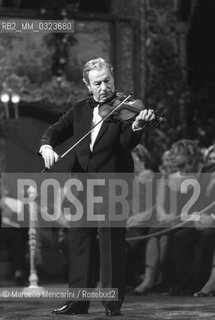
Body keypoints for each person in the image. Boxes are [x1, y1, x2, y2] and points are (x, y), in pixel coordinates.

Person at [39, 58, 155, 316]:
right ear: (87, 84)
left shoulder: (126, 108)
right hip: (81, 185)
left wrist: (137, 126)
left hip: (113, 184)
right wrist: (46, 146)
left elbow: (126, 143)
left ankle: (112, 303)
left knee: (111, 244)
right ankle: (77, 302)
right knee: (79, 242)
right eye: (97, 83)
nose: (104, 87)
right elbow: (55, 131)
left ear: (113, 77)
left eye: (107, 81)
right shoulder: (80, 108)